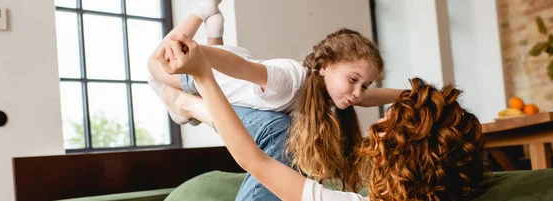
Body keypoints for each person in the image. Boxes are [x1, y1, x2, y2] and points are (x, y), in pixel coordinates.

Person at [158, 35, 487, 200]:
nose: (376, 128)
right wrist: (428, 104)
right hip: (228, 86)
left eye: (386, 129)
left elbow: (256, 162)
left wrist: (203, 75)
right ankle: (190, 105)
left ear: (401, 159)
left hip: (208, 83)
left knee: (278, 131)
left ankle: (189, 105)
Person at [147, 0, 401, 197]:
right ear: (324, 66)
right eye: (353, 80)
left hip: (229, 76)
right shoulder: (290, 79)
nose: (358, 92)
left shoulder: (330, 94)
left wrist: (413, 95)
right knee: (154, 65)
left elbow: (369, 98)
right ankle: (203, 11)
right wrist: (197, 54)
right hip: (205, 73)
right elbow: (240, 67)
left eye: (364, 85)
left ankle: (215, 29)